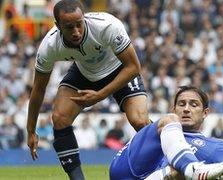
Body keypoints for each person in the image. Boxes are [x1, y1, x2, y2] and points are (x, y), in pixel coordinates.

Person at [26, 0, 149, 179]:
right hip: (85, 73)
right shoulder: (49, 46)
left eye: (79, 24)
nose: (76, 31)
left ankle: (167, 162)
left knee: (140, 121)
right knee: (59, 118)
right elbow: (38, 90)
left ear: (84, 18)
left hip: (121, 70)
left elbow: (133, 67)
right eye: (69, 27)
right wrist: (31, 130)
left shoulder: (107, 26)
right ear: (57, 25)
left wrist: (99, 95)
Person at [110, 86, 223, 180]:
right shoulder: (159, 129)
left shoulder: (216, 145)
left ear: (205, 113)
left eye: (193, 105)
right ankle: (191, 169)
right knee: (163, 124)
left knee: (178, 172)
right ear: (174, 109)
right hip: (125, 169)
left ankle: (185, 170)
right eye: (182, 104)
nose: (186, 109)